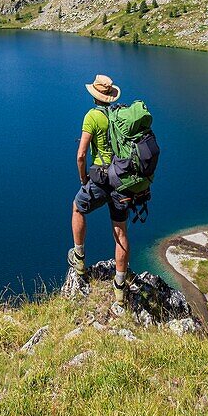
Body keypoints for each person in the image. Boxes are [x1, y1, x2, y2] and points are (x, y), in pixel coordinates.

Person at [68, 73, 131, 305]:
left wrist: (83, 178)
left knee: (77, 208)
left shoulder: (92, 117)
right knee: (120, 232)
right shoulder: (120, 115)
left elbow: (81, 154)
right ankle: (119, 289)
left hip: (101, 178)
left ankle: (80, 257)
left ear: (94, 95)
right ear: (111, 97)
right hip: (122, 180)